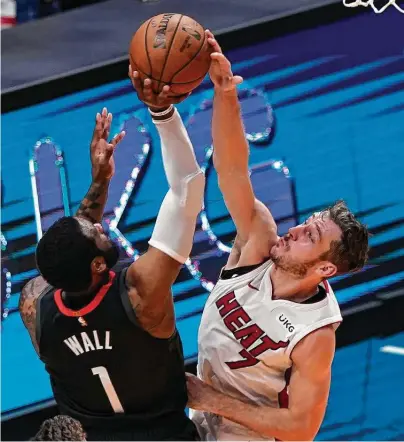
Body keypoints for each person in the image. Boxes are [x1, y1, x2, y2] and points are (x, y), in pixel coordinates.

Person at [186, 31, 370, 441]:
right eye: (307, 221)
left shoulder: (315, 334)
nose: (296, 229)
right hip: (200, 424)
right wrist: (225, 94)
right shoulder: (259, 240)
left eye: (311, 234)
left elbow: (302, 429)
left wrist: (213, 400)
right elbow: (233, 169)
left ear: (325, 267)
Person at [19, 80, 205, 441]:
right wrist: (162, 111)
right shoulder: (141, 294)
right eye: (98, 233)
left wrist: (100, 179)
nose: (103, 227)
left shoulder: (34, 308)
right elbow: (188, 189)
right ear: (98, 266)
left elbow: (70, 252)